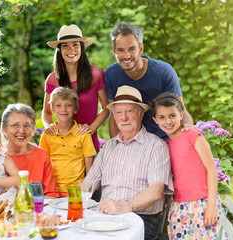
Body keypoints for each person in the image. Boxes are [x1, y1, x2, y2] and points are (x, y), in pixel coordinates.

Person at [85, 86, 173, 240]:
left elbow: (155, 192)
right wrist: (70, 200)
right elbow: (88, 183)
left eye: (129, 111)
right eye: (118, 112)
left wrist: (124, 206)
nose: (123, 117)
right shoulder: (109, 147)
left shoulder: (156, 147)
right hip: (105, 217)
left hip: (142, 220)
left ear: (141, 113)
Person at [151, 92, 225, 239]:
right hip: (179, 207)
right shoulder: (165, 146)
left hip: (203, 204)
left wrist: (211, 206)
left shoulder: (192, 135)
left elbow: (212, 170)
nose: (168, 121)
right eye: (162, 117)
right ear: (155, 120)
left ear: (181, 115)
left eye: (172, 115)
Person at [105, 21, 193, 140]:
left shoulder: (164, 72)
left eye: (132, 49)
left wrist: (188, 133)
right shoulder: (111, 74)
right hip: (133, 140)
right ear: (114, 51)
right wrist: (115, 148)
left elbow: (180, 111)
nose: (126, 56)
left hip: (165, 137)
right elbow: (114, 116)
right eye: (120, 50)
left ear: (141, 49)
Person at [42, 24, 109, 152]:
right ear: (59, 50)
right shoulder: (52, 79)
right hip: (62, 149)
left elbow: (106, 109)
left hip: (88, 145)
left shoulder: (96, 75)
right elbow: (46, 112)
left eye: (75, 45)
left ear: (81, 48)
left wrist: (91, 128)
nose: (70, 49)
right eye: (65, 45)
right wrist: (49, 126)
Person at [39, 87, 97, 197]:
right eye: (58, 105)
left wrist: (88, 192)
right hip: (51, 191)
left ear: (75, 108)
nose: (64, 109)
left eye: (68, 105)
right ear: (52, 109)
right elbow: (43, 164)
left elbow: (90, 167)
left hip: (76, 192)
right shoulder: (47, 135)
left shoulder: (83, 134)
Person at [1, 103, 60, 198]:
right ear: (4, 129)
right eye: (15, 125)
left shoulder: (40, 155)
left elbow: (51, 195)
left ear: (32, 129)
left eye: (27, 126)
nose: (21, 131)